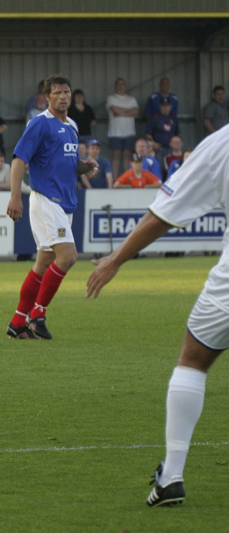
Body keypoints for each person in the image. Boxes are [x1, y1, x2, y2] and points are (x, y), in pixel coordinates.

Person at [86, 125, 229, 507]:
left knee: (194, 360)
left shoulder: (220, 145)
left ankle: (172, 476)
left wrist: (117, 258)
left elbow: (163, 214)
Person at [5, 74, 97, 340]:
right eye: (57, 93)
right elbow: (19, 159)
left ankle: (17, 322)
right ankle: (38, 315)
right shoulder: (40, 124)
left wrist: (86, 165)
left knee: (43, 264)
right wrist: (15, 197)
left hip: (65, 202)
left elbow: (70, 162)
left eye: (66, 92)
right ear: (47, 97)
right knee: (68, 257)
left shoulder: (72, 125)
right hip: (46, 199)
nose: (63, 96)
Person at [107, 77, 139, 176]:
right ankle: (115, 179)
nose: (120, 86)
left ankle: (127, 178)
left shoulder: (131, 99)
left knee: (128, 156)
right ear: (115, 86)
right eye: (118, 84)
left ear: (125, 86)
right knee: (116, 156)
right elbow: (114, 109)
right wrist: (129, 111)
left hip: (129, 132)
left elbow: (136, 111)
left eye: (122, 84)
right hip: (115, 132)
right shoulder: (111, 98)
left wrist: (121, 113)